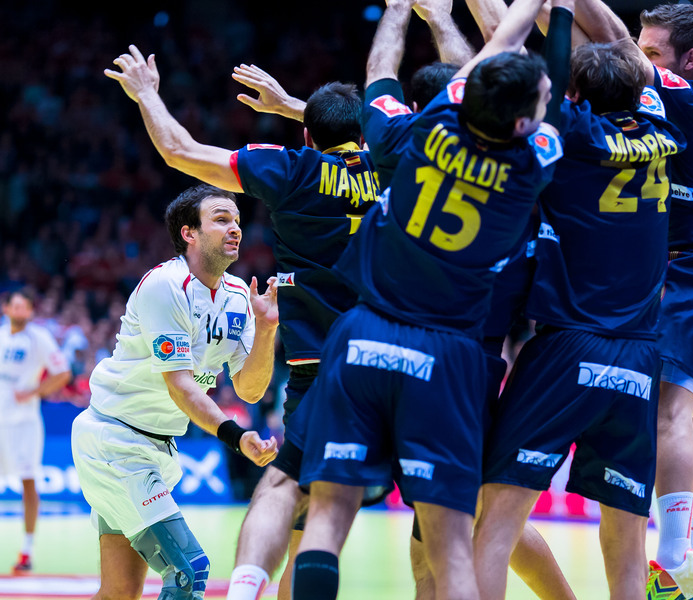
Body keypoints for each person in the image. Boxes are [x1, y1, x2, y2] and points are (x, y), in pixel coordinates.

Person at [286, 0, 569, 596]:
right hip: (454, 355)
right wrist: (555, 14)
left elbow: (387, 74)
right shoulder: (537, 161)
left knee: (327, 515)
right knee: (453, 548)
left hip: (370, 330)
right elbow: (526, 67)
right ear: (524, 123)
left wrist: (402, 10)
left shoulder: (423, 130)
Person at [103, 42, 382, 600]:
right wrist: (298, 107)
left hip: (320, 365)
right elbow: (377, 136)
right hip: (394, 357)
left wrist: (147, 94)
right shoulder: (396, 166)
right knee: (457, 512)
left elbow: (179, 150)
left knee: (286, 488)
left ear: (309, 136)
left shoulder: (293, 168)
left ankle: (246, 586)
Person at [473, 29, 687, 600]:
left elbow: (515, 59)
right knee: (626, 543)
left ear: (574, 98)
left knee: (495, 521)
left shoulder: (570, 133)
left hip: (570, 347)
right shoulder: (663, 131)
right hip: (640, 356)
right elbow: (621, 47)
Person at [570, 2, 693, 597]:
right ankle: (677, 572)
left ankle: (672, 554)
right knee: (688, 430)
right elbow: (601, 50)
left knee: (669, 419)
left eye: (652, 53)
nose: (638, 59)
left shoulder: (687, 98)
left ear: (688, 60)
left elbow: (612, 41)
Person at [71, 183, 279, 600]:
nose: (235, 228)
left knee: (119, 592)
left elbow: (250, 390)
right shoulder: (166, 285)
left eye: (237, 220)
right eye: (221, 219)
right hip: (116, 442)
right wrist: (236, 436)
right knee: (188, 572)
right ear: (189, 233)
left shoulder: (240, 295)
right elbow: (181, 387)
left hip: (159, 446)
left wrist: (266, 330)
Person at [0, 288, 71, 574]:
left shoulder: (39, 338)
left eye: (24, 307)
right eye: (15, 306)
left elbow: (63, 373)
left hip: (24, 423)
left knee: (28, 483)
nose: (19, 311)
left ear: (30, 311)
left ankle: (26, 551)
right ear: (6, 309)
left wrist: (34, 392)